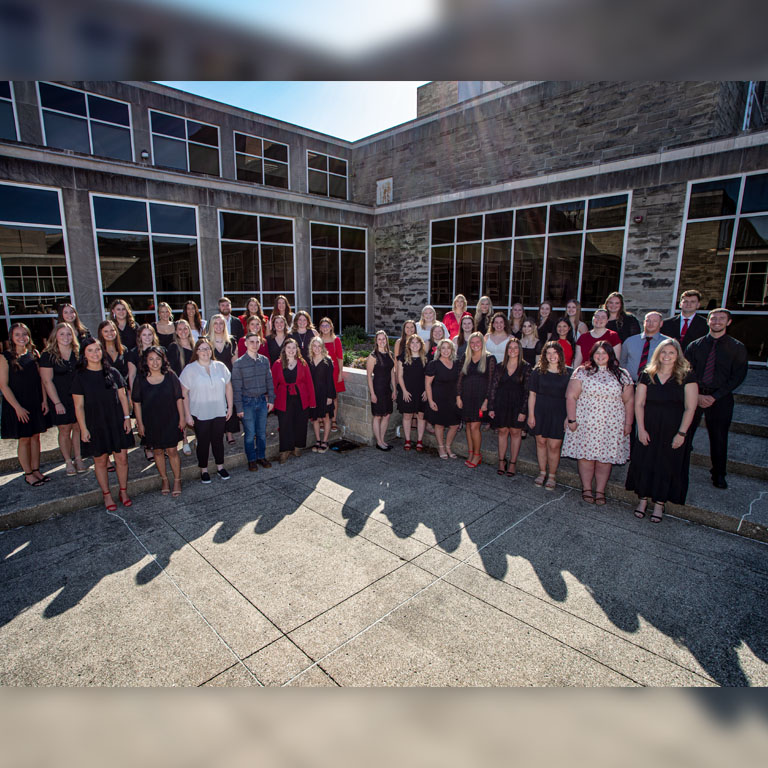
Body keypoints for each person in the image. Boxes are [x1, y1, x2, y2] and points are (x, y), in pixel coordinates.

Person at [626, 339, 698, 523]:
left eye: (671, 353)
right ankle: (642, 500)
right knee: (645, 463)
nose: (667, 356)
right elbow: (639, 403)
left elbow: (690, 407)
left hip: (673, 429)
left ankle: (659, 504)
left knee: (667, 465)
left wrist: (681, 433)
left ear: (677, 355)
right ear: (658, 354)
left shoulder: (686, 375)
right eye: (663, 352)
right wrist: (640, 429)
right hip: (648, 426)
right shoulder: (647, 374)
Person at [562, 341, 634, 504]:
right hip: (586, 423)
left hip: (611, 424)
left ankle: (600, 490)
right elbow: (571, 396)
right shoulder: (582, 372)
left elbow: (629, 401)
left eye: (604, 353)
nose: (600, 356)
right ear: (592, 355)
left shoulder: (622, 374)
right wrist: (571, 419)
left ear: (610, 355)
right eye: (597, 353)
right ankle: (587, 488)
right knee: (586, 457)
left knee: (605, 459)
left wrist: (628, 424)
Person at [684, 308, 748, 489]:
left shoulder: (737, 348)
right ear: (708, 321)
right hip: (695, 394)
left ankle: (718, 474)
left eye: (721, 319)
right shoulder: (695, 346)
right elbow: (687, 371)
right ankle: (680, 468)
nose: (717, 321)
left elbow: (738, 376)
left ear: (728, 322)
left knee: (719, 437)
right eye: (714, 318)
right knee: (686, 433)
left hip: (721, 397)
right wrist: (696, 394)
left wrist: (714, 396)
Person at [71, 338, 134, 510]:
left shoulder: (113, 372)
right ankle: (106, 495)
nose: (94, 353)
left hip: (116, 422)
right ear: (84, 354)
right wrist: (83, 428)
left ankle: (123, 491)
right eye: (90, 350)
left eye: (97, 349)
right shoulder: (80, 377)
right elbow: (79, 406)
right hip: (95, 423)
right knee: (100, 461)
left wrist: (127, 417)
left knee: (122, 458)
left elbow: (123, 397)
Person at [0, 323, 50, 487]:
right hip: (17, 404)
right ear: (12, 338)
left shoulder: (34, 354)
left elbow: (41, 381)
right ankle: (28, 473)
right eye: (17, 335)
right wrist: (17, 408)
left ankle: (36, 470)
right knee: (24, 440)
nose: (22, 338)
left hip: (35, 401)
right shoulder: (5, 357)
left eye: (24, 334)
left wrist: (44, 400)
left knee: (36, 437)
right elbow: (3, 386)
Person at [132, 346, 185, 498]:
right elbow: (136, 402)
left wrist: (182, 417)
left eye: (158, 359)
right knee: (157, 451)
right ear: (146, 361)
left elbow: (179, 398)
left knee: (173, 451)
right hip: (151, 421)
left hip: (170, 419)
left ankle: (177, 480)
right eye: (151, 359)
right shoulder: (140, 378)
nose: (155, 362)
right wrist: (140, 424)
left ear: (163, 360)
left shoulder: (170, 375)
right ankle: (164, 480)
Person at [179, 338, 233, 484]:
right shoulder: (190, 369)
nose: (205, 352)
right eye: (202, 349)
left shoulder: (220, 366)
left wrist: (230, 406)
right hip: (200, 413)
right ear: (196, 351)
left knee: (218, 441)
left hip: (219, 411)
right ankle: (204, 470)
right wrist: (188, 414)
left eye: (208, 348)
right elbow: (184, 393)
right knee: (203, 442)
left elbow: (228, 386)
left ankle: (220, 467)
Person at [40, 322, 86, 475]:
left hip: (78, 397)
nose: (65, 337)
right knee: (65, 430)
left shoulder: (78, 352)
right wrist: (57, 402)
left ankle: (79, 458)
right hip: (59, 398)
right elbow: (47, 381)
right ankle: (68, 461)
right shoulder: (48, 355)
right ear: (55, 336)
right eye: (62, 334)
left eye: (68, 334)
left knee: (78, 427)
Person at [527, 341, 571, 490]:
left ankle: (552, 475)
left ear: (560, 354)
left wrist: (568, 417)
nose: (552, 356)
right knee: (540, 442)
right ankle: (542, 472)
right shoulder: (537, 372)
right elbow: (532, 394)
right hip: (540, 411)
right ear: (544, 355)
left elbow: (572, 398)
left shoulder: (569, 373)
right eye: (548, 353)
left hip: (559, 413)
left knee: (554, 446)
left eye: (555, 352)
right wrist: (531, 415)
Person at [232, 331, 275, 472]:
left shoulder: (264, 360)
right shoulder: (239, 364)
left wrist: (271, 399)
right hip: (247, 402)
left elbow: (269, 381)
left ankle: (261, 456)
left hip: (262, 401)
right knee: (250, 434)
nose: (255, 344)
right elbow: (236, 388)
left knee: (262, 433)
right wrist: (239, 408)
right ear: (245, 343)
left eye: (257, 342)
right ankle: (251, 460)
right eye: (251, 341)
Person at [489, 337, 530, 476]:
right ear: (507, 350)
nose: (513, 350)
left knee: (515, 433)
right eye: (510, 348)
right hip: (501, 404)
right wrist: (491, 407)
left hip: (517, 405)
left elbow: (527, 391)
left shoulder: (526, 367)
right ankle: (501, 461)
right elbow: (493, 388)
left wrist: (524, 411)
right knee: (502, 432)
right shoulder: (500, 366)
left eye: (515, 348)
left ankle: (512, 463)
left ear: (520, 350)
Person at [272, 338, 315, 463]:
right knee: (285, 424)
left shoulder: (303, 363)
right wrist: (272, 402)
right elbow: (273, 384)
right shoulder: (277, 364)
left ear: (297, 350)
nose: (291, 350)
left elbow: (309, 383)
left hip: (301, 398)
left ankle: (297, 447)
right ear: (284, 349)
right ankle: (285, 450)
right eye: (288, 347)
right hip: (283, 398)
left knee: (300, 423)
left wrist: (312, 402)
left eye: (293, 347)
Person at [456, 332, 495, 468]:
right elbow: (460, 378)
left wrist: (487, 401)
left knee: (474, 426)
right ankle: (471, 452)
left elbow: (491, 383)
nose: (475, 345)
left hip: (480, 399)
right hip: (466, 397)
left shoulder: (490, 358)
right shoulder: (466, 357)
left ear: (482, 343)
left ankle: (477, 455)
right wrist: (458, 396)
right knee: (468, 425)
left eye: (478, 342)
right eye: (472, 342)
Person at [425, 339, 461, 459]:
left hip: (452, 398)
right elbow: (428, 384)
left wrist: (459, 398)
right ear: (439, 350)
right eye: (443, 348)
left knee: (455, 424)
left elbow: (459, 383)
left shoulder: (456, 364)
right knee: (439, 425)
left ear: (452, 350)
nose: (446, 350)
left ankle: (448, 446)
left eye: (448, 348)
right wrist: (430, 401)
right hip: (438, 398)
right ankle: (441, 447)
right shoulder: (433, 364)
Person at [207, 313, 240, 445]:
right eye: (216, 323)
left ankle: (229, 433)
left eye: (221, 323)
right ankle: (215, 432)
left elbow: (235, 361)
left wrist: (236, 379)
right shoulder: (206, 341)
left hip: (228, 378)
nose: (219, 326)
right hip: (212, 378)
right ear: (212, 325)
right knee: (215, 405)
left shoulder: (231, 341)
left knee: (228, 404)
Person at [166, 319, 195, 456]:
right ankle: (184, 441)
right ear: (176, 332)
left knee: (196, 412)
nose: (183, 331)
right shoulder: (173, 347)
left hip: (195, 386)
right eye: (180, 329)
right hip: (181, 386)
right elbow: (171, 369)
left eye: (185, 328)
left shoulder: (195, 345)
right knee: (182, 413)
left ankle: (198, 437)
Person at [397, 333, 428, 452]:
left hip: (421, 391)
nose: (415, 345)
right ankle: (408, 440)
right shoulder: (402, 357)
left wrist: (426, 390)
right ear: (408, 345)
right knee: (407, 415)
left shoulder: (426, 358)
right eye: (412, 343)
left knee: (421, 415)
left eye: (417, 342)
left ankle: (420, 441)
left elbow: (428, 376)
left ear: (421, 344)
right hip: (407, 391)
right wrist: (404, 391)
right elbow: (399, 376)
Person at [367, 330, 396, 451]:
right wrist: (372, 393)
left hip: (387, 389)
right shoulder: (373, 356)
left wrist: (394, 389)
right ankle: (379, 442)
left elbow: (392, 373)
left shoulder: (390, 354)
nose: (382, 341)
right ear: (376, 341)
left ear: (386, 340)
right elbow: (368, 376)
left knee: (387, 415)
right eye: (379, 339)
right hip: (377, 388)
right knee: (378, 416)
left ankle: (383, 440)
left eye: (383, 339)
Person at [620, 311, 669, 383]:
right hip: (630, 383)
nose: (650, 323)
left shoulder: (667, 343)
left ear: (661, 324)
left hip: (655, 384)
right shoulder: (630, 341)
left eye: (654, 321)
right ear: (643, 322)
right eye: (648, 320)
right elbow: (622, 361)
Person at [307, 337, 335, 454]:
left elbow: (330, 380)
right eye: (315, 346)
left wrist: (330, 397)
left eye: (319, 346)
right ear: (311, 347)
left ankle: (325, 441)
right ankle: (318, 440)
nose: (317, 348)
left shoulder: (327, 360)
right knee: (315, 418)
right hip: (313, 394)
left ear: (322, 347)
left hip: (325, 393)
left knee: (325, 417)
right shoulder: (308, 361)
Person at [318, 316, 345, 432]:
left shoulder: (336, 340)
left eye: (327, 325)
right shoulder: (317, 340)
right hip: (320, 373)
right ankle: (321, 420)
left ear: (331, 327)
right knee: (320, 397)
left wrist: (340, 374)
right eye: (323, 325)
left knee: (334, 398)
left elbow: (340, 358)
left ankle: (333, 421)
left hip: (333, 373)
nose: (325, 328)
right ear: (320, 327)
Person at [127, 323, 161, 391]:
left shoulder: (161, 351)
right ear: (140, 336)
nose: (147, 337)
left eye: (150, 334)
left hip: (159, 387)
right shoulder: (133, 353)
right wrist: (133, 395)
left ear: (153, 335)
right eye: (144, 335)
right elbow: (132, 375)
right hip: (142, 389)